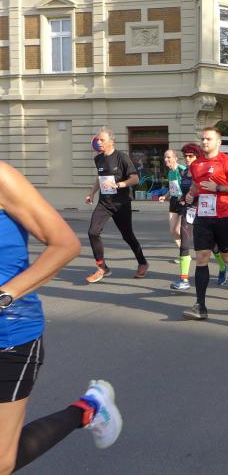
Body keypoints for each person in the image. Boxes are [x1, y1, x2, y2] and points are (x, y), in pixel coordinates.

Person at [0, 162, 122, 473]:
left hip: (10, 333)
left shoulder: (2, 178)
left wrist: (3, 296)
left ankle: (88, 408)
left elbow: (64, 245)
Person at [183, 127, 228, 320]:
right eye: (203, 139)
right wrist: (190, 194)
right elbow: (197, 184)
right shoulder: (196, 164)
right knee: (202, 257)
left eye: (209, 139)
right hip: (203, 216)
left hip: (224, 215)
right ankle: (200, 306)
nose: (204, 142)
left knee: (226, 256)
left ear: (218, 142)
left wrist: (219, 187)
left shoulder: (227, 162)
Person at [84, 127, 148, 283]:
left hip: (121, 203)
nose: (99, 142)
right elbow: (100, 178)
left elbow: (135, 179)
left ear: (111, 142)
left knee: (127, 235)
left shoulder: (122, 157)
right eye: (97, 140)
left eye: (102, 140)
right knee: (93, 232)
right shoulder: (98, 159)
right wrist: (92, 193)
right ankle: (102, 267)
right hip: (104, 203)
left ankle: (142, 262)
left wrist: (119, 185)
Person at [158, 149, 187, 262]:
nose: (166, 159)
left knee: (178, 230)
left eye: (168, 157)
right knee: (172, 231)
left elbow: (190, 185)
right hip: (173, 201)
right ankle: (183, 253)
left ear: (175, 158)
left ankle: (185, 253)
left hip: (183, 202)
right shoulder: (170, 172)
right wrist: (165, 196)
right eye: (165, 157)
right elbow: (172, 188)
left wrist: (186, 198)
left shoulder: (183, 170)